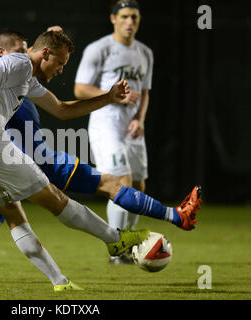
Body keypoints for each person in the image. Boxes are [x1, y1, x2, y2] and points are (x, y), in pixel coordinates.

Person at [0, 29, 201, 286]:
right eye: (61, 64)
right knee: (59, 198)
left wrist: (108, 97)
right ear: (44, 54)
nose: (62, 70)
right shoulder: (17, 62)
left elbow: (63, 109)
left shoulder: (27, 79)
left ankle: (60, 282)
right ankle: (118, 238)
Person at [74, 0, 154, 263]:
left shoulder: (145, 53)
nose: (130, 22)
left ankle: (128, 242)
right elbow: (80, 88)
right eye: (124, 17)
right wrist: (112, 96)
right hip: (105, 125)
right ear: (113, 19)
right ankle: (117, 245)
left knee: (139, 188)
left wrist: (140, 120)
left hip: (132, 129)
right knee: (122, 184)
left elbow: (144, 93)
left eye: (134, 17)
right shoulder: (100, 49)